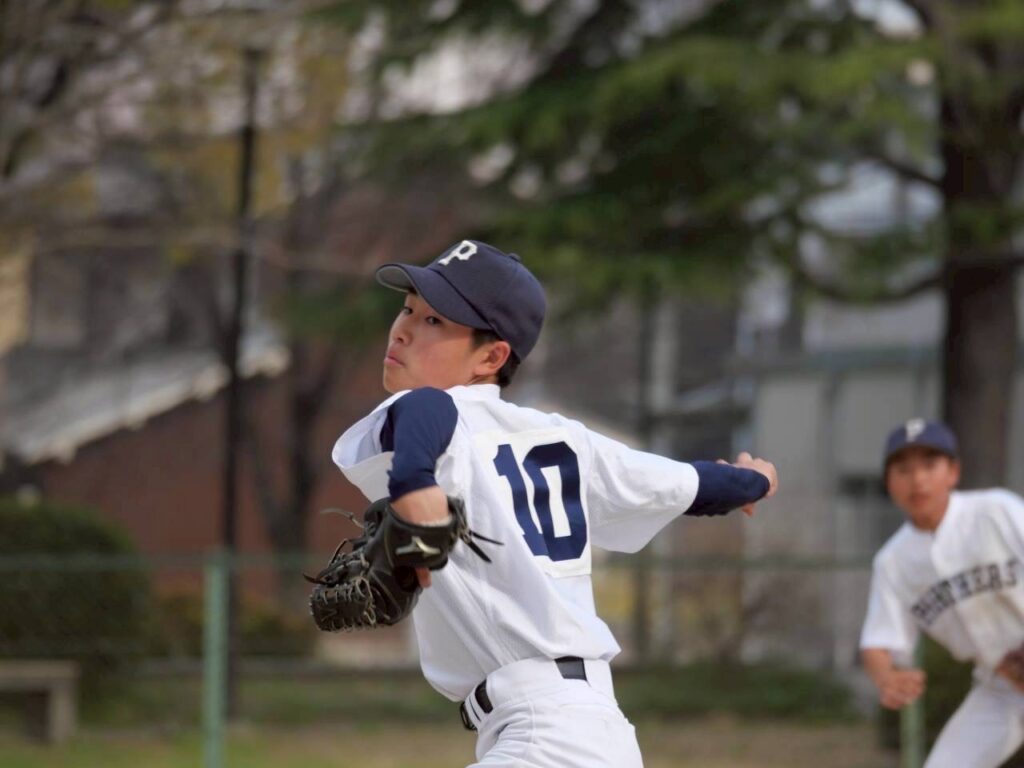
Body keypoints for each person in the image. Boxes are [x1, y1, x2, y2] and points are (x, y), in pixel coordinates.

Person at [331, 239, 778, 768]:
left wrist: (414, 482)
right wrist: (753, 481)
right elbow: (689, 486)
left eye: (434, 321)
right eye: (408, 309)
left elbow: (426, 411)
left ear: (491, 357)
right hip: (586, 730)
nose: (403, 329)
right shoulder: (564, 440)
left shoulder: (428, 411)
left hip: (546, 737)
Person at [860, 418, 1024, 768]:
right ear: (889, 482)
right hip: (1001, 688)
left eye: (929, 465)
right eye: (903, 470)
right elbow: (877, 643)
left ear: (953, 472)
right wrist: (887, 677)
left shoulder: (996, 511)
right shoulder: (893, 562)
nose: (917, 479)